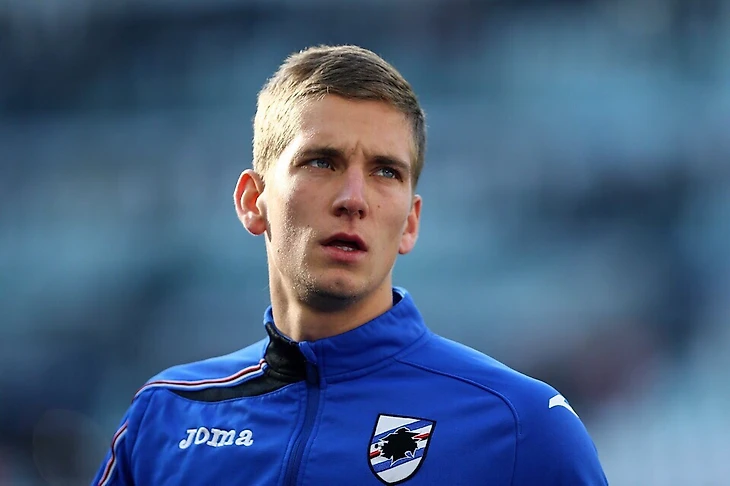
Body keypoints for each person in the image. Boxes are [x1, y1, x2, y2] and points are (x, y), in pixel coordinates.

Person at [92, 45, 608, 485]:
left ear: (410, 222)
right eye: (322, 162)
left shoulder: (519, 426)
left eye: (386, 172)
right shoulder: (167, 418)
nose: (354, 199)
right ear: (253, 201)